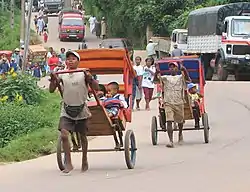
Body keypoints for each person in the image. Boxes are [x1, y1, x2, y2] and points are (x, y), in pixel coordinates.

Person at [49, 50, 99, 173]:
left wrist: (90, 79)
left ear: (78, 61)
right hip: (66, 108)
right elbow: (51, 90)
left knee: (82, 136)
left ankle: (84, 159)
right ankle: (69, 163)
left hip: (81, 107)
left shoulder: (83, 73)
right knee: (64, 134)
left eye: (73, 59)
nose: (70, 61)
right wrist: (53, 80)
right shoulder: (62, 74)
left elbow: (96, 87)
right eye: (68, 59)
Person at [154, 61, 191, 148]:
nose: (172, 68)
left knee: (180, 121)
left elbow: (188, 79)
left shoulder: (181, 77)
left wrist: (184, 70)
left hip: (179, 102)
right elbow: (156, 80)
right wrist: (157, 72)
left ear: (177, 68)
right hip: (168, 102)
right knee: (169, 121)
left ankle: (180, 134)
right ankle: (170, 141)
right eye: (170, 67)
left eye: (174, 67)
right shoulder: (165, 78)